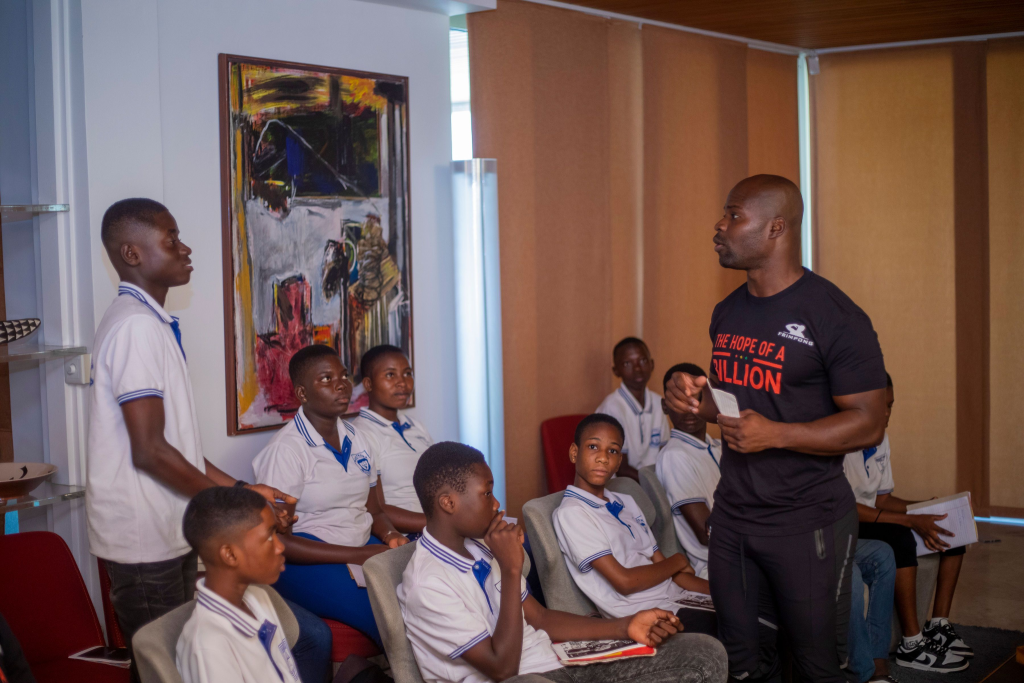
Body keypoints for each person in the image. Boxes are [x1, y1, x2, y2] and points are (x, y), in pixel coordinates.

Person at [665, 175, 889, 682]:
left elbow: (869, 423)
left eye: (733, 215)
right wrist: (691, 402)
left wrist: (779, 435)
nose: (719, 227)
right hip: (735, 520)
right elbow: (736, 410)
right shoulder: (727, 313)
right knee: (741, 663)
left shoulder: (835, 315)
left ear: (776, 228)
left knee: (812, 666)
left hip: (808, 522)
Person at [87, 198, 295, 681]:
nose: (185, 248)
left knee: (178, 666)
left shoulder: (148, 321)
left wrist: (242, 490)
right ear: (132, 254)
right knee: (165, 669)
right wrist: (235, 507)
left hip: (168, 523)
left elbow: (175, 446)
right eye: (171, 239)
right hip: (143, 537)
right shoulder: (136, 327)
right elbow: (150, 451)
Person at [397, 441, 728, 683]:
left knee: (703, 653)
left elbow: (539, 617)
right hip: (520, 678)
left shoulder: (480, 547)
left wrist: (625, 625)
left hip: (555, 665)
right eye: (487, 492)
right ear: (448, 503)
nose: (497, 503)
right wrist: (512, 570)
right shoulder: (428, 583)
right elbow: (501, 668)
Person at [252, 344, 408, 649]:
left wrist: (391, 536)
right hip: (306, 560)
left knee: (425, 593)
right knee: (388, 616)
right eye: (325, 379)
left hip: (363, 546)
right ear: (302, 393)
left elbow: (374, 511)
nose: (341, 385)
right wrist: (357, 556)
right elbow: (277, 540)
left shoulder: (358, 437)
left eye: (344, 376)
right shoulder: (287, 451)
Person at [844, 374, 970, 673]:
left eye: (891, 406)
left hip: (874, 514)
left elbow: (884, 499)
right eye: (881, 406)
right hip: (848, 522)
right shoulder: (843, 440)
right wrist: (911, 519)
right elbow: (847, 508)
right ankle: (910, 644)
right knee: (899, 536)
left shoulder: (881, 438)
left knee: (948, 524)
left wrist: (927, 507)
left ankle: (938, 626)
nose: (887, 414)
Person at [552, 414, 716, 634]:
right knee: (738, 631)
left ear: (619, 461)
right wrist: (677, 560)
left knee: (749, 608)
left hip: (678, 598)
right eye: (593, 446)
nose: (603, 458)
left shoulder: (626, 502)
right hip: (646, 614)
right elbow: (625, 582)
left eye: (613, 450)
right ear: (574, 453)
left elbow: (671, 573)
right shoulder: (573, 512)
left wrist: (719, 592)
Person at [176, 486, 300, 683]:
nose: (280, 547)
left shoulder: (259, 598)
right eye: (269, 537)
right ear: (231, 555)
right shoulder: (210, 647)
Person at [353, 344, 432, 535]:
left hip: (440, 526)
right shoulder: (360, 434)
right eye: (390, 375)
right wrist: (442, 525)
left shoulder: (415, 426)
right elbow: (376, 509)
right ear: (368, 384)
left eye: (407, 373)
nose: (402, 383)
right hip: (406, 535)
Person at [655, 363, 721, 580]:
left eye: (696, 398)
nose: (689, 408)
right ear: (666, 406)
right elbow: (707, 534)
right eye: (679, 401)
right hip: (718, 565)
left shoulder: (720, 446)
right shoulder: (675, 456)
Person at [595, 337, 671, 480]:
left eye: (642, 361)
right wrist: (654, 484)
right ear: (616, 371)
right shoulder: (612, 408)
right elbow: (621, 468)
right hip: (622, 486)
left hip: (653, 482)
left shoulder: (658, 403)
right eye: (627, 363)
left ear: (652, 364)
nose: (637, 368)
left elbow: (664, 453)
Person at [847, 540, 897, 683]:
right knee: (850, 571)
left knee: (883, 552)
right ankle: (862, 673)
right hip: (796, 539)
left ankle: (877, 660)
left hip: (830, 535)